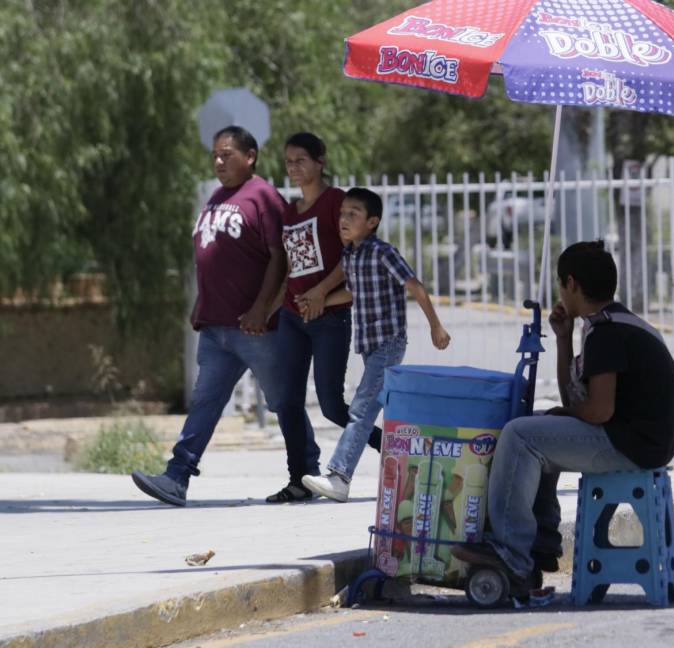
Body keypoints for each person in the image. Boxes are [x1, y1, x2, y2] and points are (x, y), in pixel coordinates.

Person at [451, 240, 674, 587]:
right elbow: (576, 399)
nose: (561, 291)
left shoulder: (607, 333)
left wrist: (566, 413)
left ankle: (512, 553)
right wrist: (564, 339)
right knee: (541, 427)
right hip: (641, 440)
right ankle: (541, 544)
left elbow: (598, 410)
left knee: (519, 434)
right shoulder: (616, 322)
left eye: (561, 284)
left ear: (571, 284)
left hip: (632, 445)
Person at [132, 126, 289, 507]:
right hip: (216, 326)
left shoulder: (263, 197)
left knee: (284, 401)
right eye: (215, 155)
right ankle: (176, 478)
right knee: (205, 400)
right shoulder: (217, 197)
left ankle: (307, 471)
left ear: (250, 156)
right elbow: (213, 257)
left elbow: (281, 257)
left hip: (255, 328)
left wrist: (260, 309)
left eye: (227, 154)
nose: (219, 162)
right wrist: (202, 305)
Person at [302, 188, 451, 502]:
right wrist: (322, 300)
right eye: (342, 213)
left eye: (353, 214)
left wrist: (436, 325)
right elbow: (355, 293)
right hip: (370, 344)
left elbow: (415, 287)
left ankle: (340, 477)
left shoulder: (384, 252)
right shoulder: (350, 255)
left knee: (360, 411)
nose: (344, 219)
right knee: (390, 413)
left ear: (372, 222)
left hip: (388, 342)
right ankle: (423, 467)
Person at [265, 133, 377, 504]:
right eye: (288, 161)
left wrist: (321, 294)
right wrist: (273, 308)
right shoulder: (289, 211)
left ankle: (390, 445)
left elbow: (353, 256)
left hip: (330, 319)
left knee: (332, 406)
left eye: (301, 160)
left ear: (320, 161)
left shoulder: (336, 203)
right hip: (293, 319)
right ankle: (300, 478)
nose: (294, 168)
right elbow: (291, 268)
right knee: (286, 400)